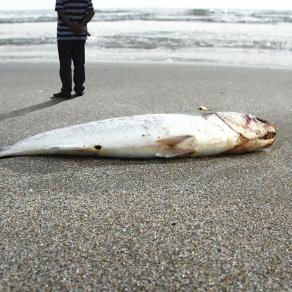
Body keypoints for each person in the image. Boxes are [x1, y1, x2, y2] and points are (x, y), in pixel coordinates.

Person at [54, 0, 95, 99]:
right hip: (80, 35)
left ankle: (66, 91)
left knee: (65, 64)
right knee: (79, 63)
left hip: (64, 35)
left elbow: (61, 13)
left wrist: (72, 26)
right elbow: (91, 12)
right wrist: (80, 25)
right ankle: (79, 89)